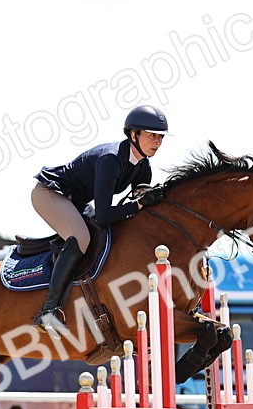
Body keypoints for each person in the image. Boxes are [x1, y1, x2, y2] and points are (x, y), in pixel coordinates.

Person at [30, 104, 169, 332]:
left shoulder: (143, 166)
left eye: (160, 137)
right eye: (152, 135)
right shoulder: (111, 159)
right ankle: (48, 311)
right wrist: (141, 203)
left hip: (76, 202)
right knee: (81, 237)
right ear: (134, 135)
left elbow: (140, 205)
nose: (157, 141)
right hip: (50, 194)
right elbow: (105, 214)